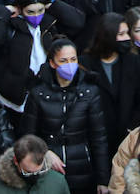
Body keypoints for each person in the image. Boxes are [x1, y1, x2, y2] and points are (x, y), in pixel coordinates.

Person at [18, 38, 111, 192]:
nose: (69, 65)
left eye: (73, 59)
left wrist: (103, 179)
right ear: (53, 63)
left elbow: (99, 138)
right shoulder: (38, 93)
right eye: (63, 60)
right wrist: (44, 152)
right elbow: (27, 136)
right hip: (48, 169)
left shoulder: (89, 91)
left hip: (83, 168)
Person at [83, 13, 140, 147]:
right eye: (121, 34)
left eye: (127, 33)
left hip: (128, 138)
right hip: (96, 139)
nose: (127, 38)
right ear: (108, 36)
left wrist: (132, 127)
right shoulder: (85, 64)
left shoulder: (132, 61)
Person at [0, 134, 73, 194]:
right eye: (28, 172)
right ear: (16, 161)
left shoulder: (58, 181)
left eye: (41, 170)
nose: (35, 176)